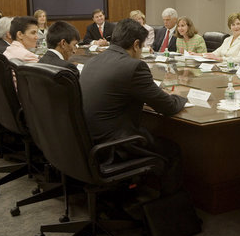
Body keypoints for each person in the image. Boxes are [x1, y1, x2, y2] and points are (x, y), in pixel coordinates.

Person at [80, 18, 187, 195]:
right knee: (172, 151)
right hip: (115, 145)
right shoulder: (133, 66)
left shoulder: (93, 61)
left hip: (88, 140)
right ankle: (170, 212)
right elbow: (168, 107)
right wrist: (181, 97)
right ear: (136, 44)